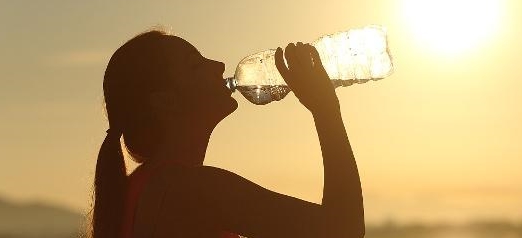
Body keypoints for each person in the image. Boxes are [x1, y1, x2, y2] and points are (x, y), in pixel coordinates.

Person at [89, 30, 365, 238]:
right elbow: (344, 228)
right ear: (166, 102)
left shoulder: (142, 190)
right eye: (196, 65)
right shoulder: (190, 190)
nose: (218, 65)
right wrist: (326, 110)